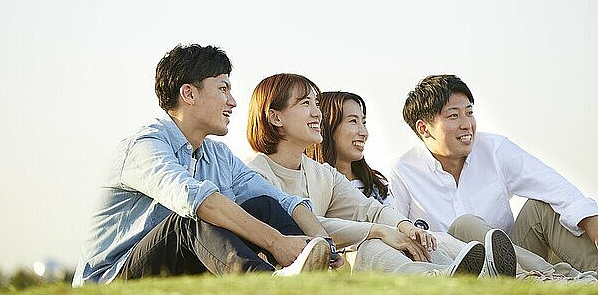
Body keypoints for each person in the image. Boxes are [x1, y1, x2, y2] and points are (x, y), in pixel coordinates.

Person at [72, 45, 336, 287]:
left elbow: (284, 201)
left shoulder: (218, 155)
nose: (232, 102)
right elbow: (199, 203)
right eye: (223, 89)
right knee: (191, 219)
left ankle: (319, 284)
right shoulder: (144, 147)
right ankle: (266, 286)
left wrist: (322, 242)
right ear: (189, 94)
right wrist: (277, 243)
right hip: (113, 278)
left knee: (264, 205)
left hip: (178, 265)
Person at [245, 73, 516, 277]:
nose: (317, 113)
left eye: (317, 103)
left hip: (337, 266)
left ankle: (487, 275)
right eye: (305, 103)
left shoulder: (322, 174)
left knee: (427, 237)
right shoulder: (254, 174)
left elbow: (369, 208)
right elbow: (305, 224)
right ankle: (441, 279)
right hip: (298, 274)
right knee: (370, 247)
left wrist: (405, 228)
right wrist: (378, 231)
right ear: (275, 117)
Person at [390, 74, 598, 274]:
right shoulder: (403, 171)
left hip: (513, 260)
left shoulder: (495, 149)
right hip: (456, 270)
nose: (466, 124)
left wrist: (590, 219)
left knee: (542, 206)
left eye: (469, 112)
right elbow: (394, 232)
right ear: (424, 129)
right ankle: (556, 277)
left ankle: (592, 274)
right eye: (454, 115)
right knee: (465, 224)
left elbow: (551, 185)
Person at [309, 91, 393, 206]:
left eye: (363, 122)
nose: (364, 132)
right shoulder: (307, 187)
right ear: (326, 127)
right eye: (353, 121)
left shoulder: (378, 186)